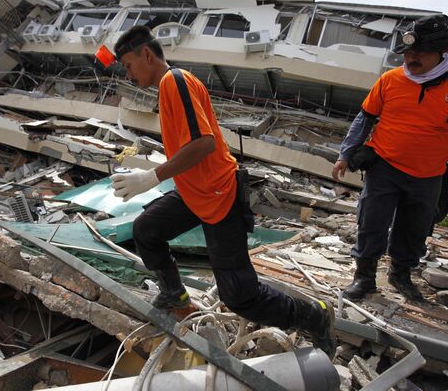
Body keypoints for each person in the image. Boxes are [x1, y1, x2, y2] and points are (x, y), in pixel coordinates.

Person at [108, 25, 336, 357]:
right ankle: (175, 296)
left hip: (218, 194)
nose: (128, 74)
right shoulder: (169, 87)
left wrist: (152, 177)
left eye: (128, 65)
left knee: (241, 297)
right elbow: (189, 145)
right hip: (194, 192)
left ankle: (314, 315)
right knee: (147, 229)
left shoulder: (175, 81)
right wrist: (149, 168)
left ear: (146, 54)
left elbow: (203, 143)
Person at [332, 14, 448, 301]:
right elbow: (363, 120)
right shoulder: (390, 80)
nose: (411, 58)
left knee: (413, 229)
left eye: (420, 52)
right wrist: (345, 154)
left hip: (429, 173)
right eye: (408, 52)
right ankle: (364, 278)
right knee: (371, 223)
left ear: (442, 52)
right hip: (385, 166)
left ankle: (400, 275)